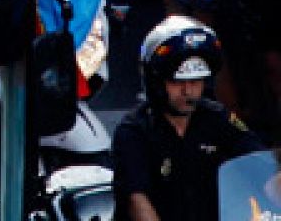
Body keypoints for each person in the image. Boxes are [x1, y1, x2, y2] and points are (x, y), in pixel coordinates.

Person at [112, 17, 263, 221]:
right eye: (177, 82)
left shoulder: (218, 119)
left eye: (196, 81)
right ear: (156, 80)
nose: (188, 90)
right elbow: (136, 200)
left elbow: (260, 164)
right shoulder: (134, 131)